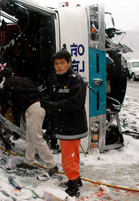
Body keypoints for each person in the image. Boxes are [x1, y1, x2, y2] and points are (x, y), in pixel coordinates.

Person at [0, 67, 58, 176]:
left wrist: (0, 96)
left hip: (33, 110)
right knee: (30, 139)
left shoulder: (9, 83)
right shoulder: (24, 80)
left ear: (4, 78)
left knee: (37, 139)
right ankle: (28, 162)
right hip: (38, 107)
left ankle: (52, 165)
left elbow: (2, 98)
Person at [44, 50, 88, 197]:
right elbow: (54, 96)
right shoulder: (58, 79)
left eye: (62, 63)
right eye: (57, 63)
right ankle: (76, 180)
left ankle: (73, 187)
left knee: (68, 157)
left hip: (73, 126)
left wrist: (54, 105)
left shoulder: (76, 80)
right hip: (64, 124)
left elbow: (75, 103)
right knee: (72, 155)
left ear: (69, 63)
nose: (59, 66)